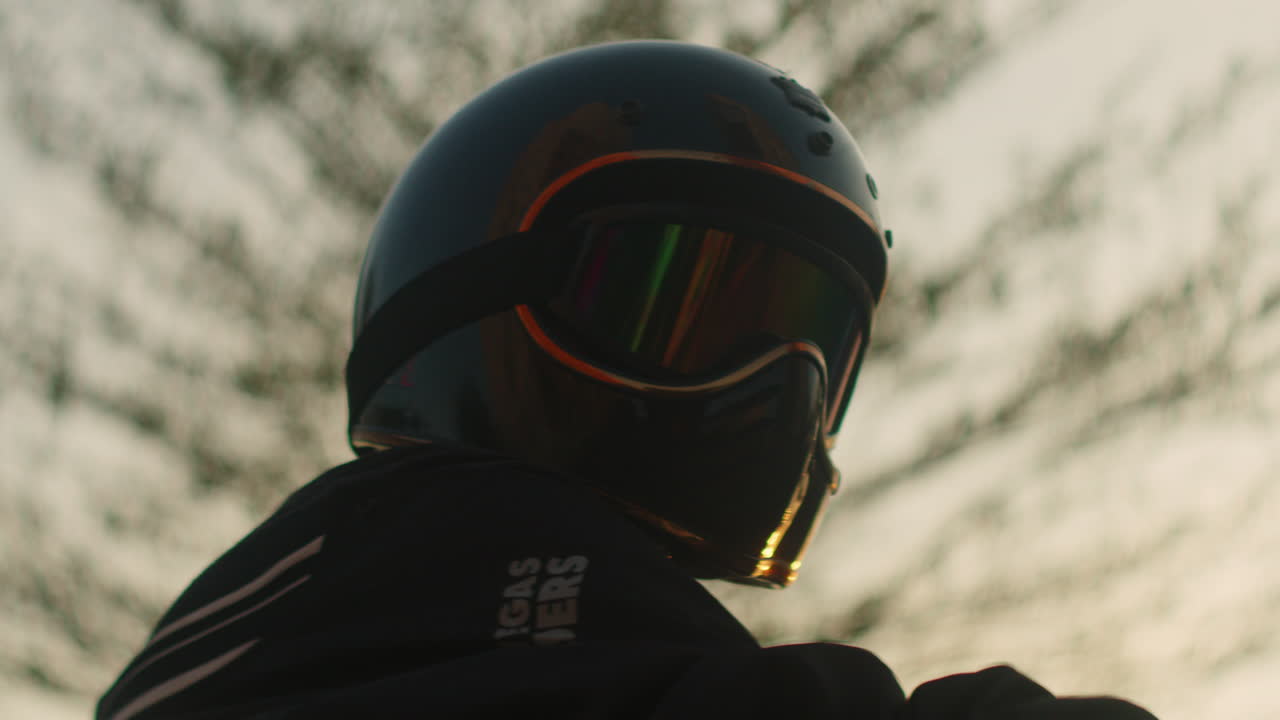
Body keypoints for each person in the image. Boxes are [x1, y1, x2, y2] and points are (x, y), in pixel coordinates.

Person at [96, 40, 1157, 719]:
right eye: (682, 305)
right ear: (473, 296)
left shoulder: (266, 602)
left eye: (810, 342)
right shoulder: (444, 541)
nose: (780, 386)